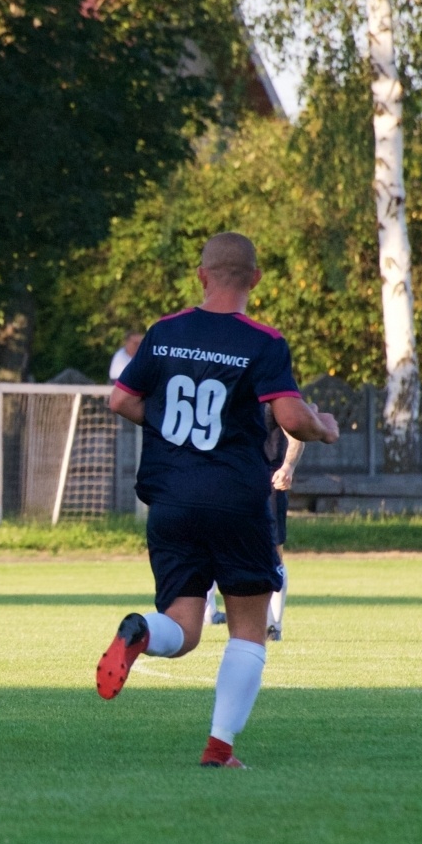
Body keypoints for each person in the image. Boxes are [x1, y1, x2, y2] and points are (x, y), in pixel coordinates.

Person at [97, 233, 339, 768]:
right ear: (255, 279)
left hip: (170, 499)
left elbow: (121, 399)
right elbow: (292, 417)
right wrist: (324, 428)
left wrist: (163, 424)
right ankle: (219, 749)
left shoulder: (164, 332)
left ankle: (141, 630)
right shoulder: (263, 340)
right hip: (234, 498)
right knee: (249, 629)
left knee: (182, 628)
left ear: (201, 276)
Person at [206, 404, 309, 639]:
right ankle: (206, 611)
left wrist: (288, 467)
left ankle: (274, 625)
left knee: (273, 552)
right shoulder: (229, 385)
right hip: (233, 477)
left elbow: (295, 436)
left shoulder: (274, 392)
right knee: (216, 543)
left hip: (268, 479)